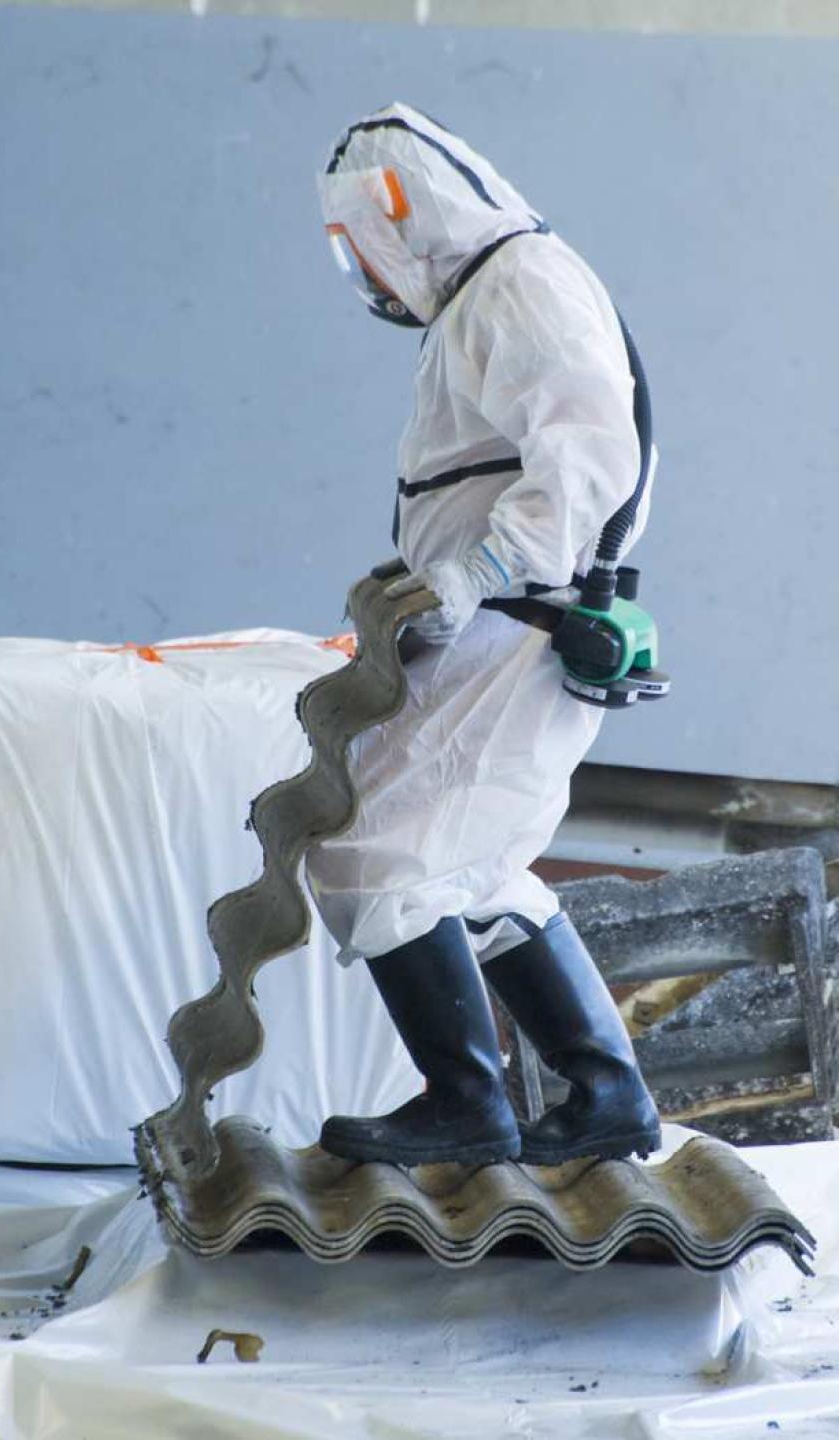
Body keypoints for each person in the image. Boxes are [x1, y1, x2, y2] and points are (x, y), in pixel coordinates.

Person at [303, 104, 660, 1168]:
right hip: (496, 627)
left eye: (363, 243)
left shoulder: (519, 283)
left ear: (400, 212)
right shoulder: (484, 294)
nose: (367, 272)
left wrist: (478, 572)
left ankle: (465, 1103)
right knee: (476, 866)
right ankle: (606, 1094)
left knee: (372, 848)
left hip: (514, 627)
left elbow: (593, 459)